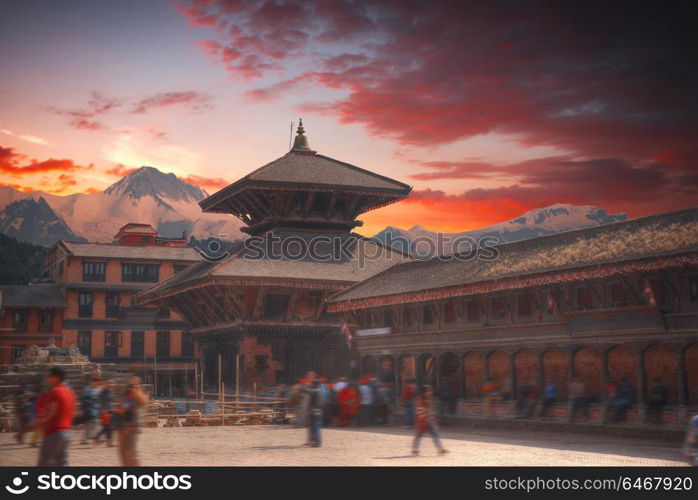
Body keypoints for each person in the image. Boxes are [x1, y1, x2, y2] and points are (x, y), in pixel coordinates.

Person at [37, 366, 76, 466]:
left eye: (49, 376)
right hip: (66, 433)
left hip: (53, 432)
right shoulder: (70, 392)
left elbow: (51, 413)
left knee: (44, 463)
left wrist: (40, 421)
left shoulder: (55, 391)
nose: (47, 378)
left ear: (57, 378)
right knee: (62, 463)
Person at [116, 377, 148, 466]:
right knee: (123, 451)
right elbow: (124, 407)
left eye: (135, 383)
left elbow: (143, 402)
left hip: (132, 427)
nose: (131, 385)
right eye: (131, 383)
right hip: (122, 426)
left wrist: (136, 391)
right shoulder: (126, 396)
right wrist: (121, 407)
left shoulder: (138, 396)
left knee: (132, 451)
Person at [412, 385, 448, 456]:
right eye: (428, 391)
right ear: (424, 392)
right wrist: (423, 423)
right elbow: (420, 413)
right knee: (419, 436)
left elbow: (431, 412)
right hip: (423, 421)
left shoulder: (428, 400)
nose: (430, 392)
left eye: (430, 391)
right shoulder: (421, 401)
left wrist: (433, 421)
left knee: (435, 434)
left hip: (430, 421)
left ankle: (440, 449)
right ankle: (415, 450)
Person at [80, 377, 101, 444]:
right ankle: (90, 438)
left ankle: (86, 439)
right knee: (90, 424)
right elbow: (84, 400)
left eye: (98, 384)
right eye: (96, 383)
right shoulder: (87, 389)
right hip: (88, 409)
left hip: (94, 409)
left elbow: (96, 399)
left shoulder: (95, 390)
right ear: (93, 382)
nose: (97, 385)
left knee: (93, 423)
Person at [303, 380, 323, 447]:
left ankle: (317, 442)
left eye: (312, 384)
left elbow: (307, 391)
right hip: (315, 411)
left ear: (315, 384)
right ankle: (313, 441)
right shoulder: (317, 390)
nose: (310, 384)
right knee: (312, 427)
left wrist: (303, 386)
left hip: (315, 412)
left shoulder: (316, 390)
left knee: (315, 427)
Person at [95, 381, 115, 446]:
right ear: (107, 385)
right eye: (110, 385)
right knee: (108, 427)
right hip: (105, 412)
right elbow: (99, 402)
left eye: (112, 386)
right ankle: (109, 442)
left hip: (110, 411)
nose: (112, 387)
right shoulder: (103, 392)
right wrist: (103, 410)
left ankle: (98, 437)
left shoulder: (110, 391)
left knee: (107, 427)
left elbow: (111, 401)